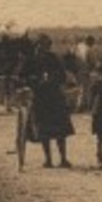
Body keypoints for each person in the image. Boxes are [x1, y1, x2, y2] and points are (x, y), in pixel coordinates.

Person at [23, 34, 74, 168]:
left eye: (47, 45)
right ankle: (48, 159)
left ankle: (63, 158)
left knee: (60, 130)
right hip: (40, 97)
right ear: (37, 45)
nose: (44, 48)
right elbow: (22, 77)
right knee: (43, 130)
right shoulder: (30, 60)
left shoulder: (53, 58)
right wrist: (35, 80)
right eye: (42, 45)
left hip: (54, 96)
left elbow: (62, 76)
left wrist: (53, 79)